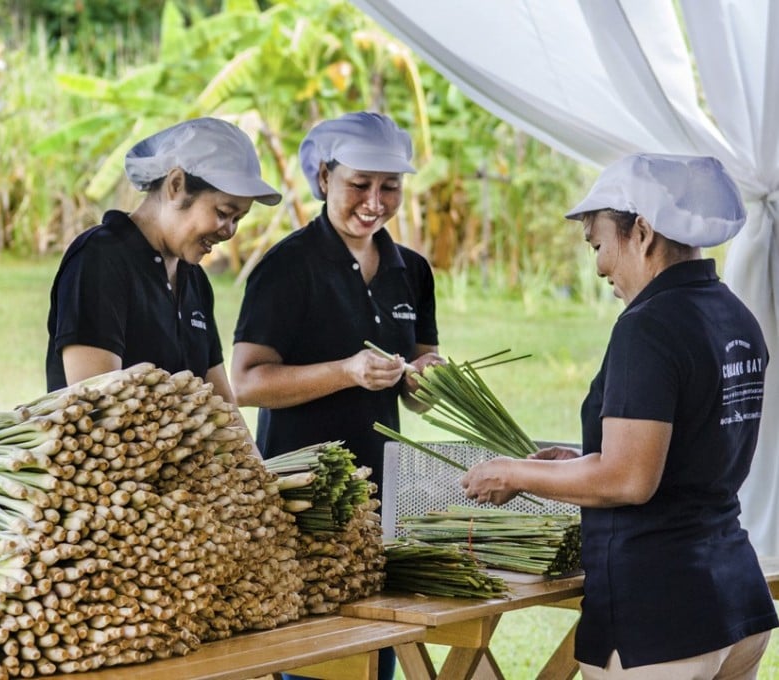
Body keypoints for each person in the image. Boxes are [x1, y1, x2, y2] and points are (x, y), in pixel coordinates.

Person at [461, 153, 778, 679]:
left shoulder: (647, 326)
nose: (600, 265)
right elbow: (688, 449)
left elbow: (630, 479)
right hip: (734, 601)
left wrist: (512, 472)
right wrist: (574, 463)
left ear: (644, 233)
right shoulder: (730, 313)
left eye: (599, 245)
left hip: (661, 619)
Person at [231, 111, 442, 680]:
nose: (374, 201)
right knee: (312, 659)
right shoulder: (286, 267)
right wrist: (346, 371)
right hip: (303, 499)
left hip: (380, 500)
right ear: (324, 177)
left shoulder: (412, 271)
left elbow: (419, 390)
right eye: (359, 185)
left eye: (390, 187)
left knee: (377, 651)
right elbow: (247, 382)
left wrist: (429, 378)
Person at [46, 117, 281, 400]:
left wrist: (249, 446)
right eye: (222, 212)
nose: (229, 231)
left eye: (237, 219)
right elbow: (97, 406)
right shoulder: (99, 260)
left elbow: (222, 407)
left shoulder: (194, 279)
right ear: (176, 185)